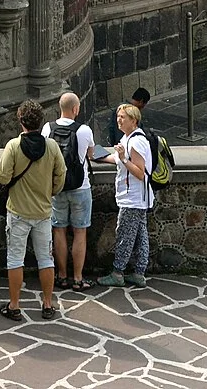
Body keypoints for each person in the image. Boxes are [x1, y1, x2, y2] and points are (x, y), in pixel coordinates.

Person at [0, 99, 65, 321]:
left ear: (20, 121)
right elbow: (60, 174)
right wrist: (51, 191)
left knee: (15, 259)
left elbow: (3, 177)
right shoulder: (51, 146)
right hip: (43, 212)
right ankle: (46, 304)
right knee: (46, 259)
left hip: (17, 211)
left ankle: (14, 305)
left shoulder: (13, 146)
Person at [96, 103, 153, 287]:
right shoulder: (129, 137)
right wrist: (98, 156)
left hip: (133, 198)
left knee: (124, 234)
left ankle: (118, 272)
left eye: (123, 117)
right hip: (138, 197)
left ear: (134, 121)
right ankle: (139, 273)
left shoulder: (135, 142)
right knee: (140, 234)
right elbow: (118, 158)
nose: (119, 120)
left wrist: (123, 158)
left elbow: (139, 172)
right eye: (118, 116)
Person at [44, 91, 95, 291]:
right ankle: (78, 277)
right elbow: (90, 153)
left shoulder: (48, 128)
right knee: (80, 232)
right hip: (80, 186)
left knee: (59, 230)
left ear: (60, 108)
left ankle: (62, 275)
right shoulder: (84, 130)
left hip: (57, 187)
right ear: (76, 109)